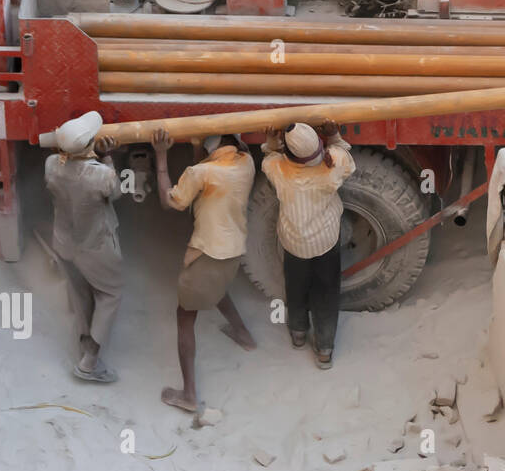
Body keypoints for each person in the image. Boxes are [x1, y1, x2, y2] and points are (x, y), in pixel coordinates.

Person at [152, 129, 258, 413]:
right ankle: (244, 336)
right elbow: (206, 167)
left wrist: (161, 156)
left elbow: (170, 201)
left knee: (184, 317)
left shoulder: (200, 173)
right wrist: (199, 147)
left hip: (208, 254)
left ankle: (188, 395)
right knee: (217, 288)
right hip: (234, 250)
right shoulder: (246, 162)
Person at [260, 120, 355, 369]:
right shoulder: (332, 166)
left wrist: (272, 143)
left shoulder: (280, 171)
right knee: (326, 291)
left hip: (293, 243)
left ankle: (298, 333)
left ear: (288, 154)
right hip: (325, 241)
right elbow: (344, 154)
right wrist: (334, 136)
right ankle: (324, 349)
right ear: (319, 146)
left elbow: (268, 157)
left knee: (295, 285)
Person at [44, 112, 124, 383]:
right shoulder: (101, 175)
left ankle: (83, 344)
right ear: (90, 145)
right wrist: (108, 156)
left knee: (81, 296)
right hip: (94, 246)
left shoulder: (51, 164)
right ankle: (89, 363)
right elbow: (116, 194)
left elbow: (68, 160)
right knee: (109, 295)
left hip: (64, 244)